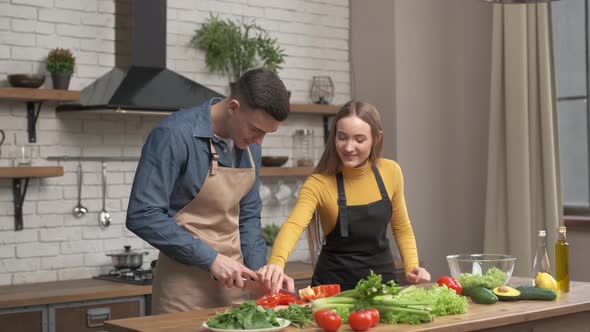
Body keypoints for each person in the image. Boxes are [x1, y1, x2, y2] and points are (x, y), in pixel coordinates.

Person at [126, 68, 292, 314]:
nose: (260, 142)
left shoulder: (250, 147)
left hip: (237, 289)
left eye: (267, 134)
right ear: (233, 108)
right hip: (183, 291)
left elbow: (248, 217)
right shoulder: (174, 135)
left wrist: (261, 276)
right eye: (256, 130)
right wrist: (211, 259)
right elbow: (142, 214)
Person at [258, 100, 431, 293]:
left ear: (376, 138)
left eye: (359, 139)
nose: (348, 147)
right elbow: (294, 225)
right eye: (342, 137)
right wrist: (276, 263)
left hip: (383, 287)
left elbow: (402, 227)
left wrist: (412, 266)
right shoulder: (319, 183)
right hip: (332, 290)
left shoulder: (391, 171)